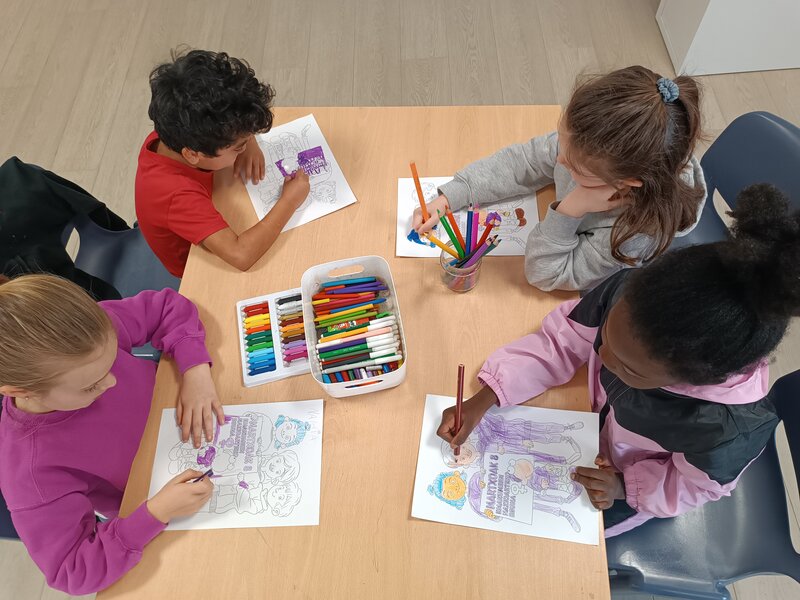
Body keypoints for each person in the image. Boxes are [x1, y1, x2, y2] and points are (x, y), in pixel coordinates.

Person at [437, 184, 795, 535]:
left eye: (628, 368)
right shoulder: (629, 295)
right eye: (606, 336)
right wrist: (489, 395)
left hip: (623, 483)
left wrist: (624, 486)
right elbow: (562, 340)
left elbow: (691, 487)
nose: (602, 356)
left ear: (692, 379)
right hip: (584, 422)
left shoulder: (727, 431)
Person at [0, 275, 224, 593]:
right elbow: (71, 571)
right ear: (21, 391)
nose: (112, 382)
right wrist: (155, 513)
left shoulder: (86, 337)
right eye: (91, 386)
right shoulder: (31, 473)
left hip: (192, 419)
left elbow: (166, 307)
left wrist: (195, 370)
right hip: (167, 510)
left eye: (111, 363)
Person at [414, 65, 706, 291]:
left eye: (574, 166)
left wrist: (571, 208)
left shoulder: (633, 235)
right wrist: (453, 194)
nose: (559, 159)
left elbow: (545, 275)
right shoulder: (588, 144)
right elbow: (525, 161)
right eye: (561, 142)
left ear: (624, 183)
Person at [136, 49, 310, 278]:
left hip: (211, 205)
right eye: (237, 147)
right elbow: (241, 255)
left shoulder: (178, 128)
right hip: (195, 267)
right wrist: (289, 201)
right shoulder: (177, 195)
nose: (244, 148)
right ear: (193, 155)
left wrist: (248, 141)